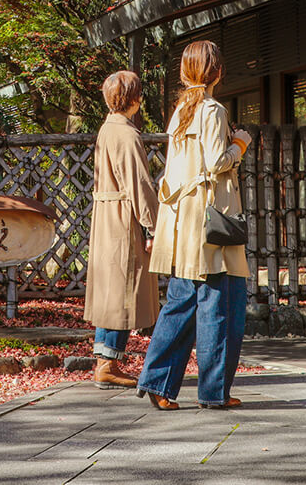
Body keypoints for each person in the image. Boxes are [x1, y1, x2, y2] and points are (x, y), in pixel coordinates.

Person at [136, 40, 252, 410]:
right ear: (217, 72)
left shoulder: (181, 111)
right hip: (211, 221)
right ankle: (214, 392)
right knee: (220, 304)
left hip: (181, 221)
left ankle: (157, 382)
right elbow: (218, 160)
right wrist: (240, 144)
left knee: (180, 304)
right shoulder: (213, 110)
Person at [84, 70, 160, 389]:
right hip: (122, 218)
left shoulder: (106, 129)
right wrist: (154, 227)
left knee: (111, 292)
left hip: (106, 217)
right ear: (134, 99)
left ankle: (105, 361)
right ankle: (108, 365)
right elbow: (139, 185)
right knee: (123, 292)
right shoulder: (127, 135)